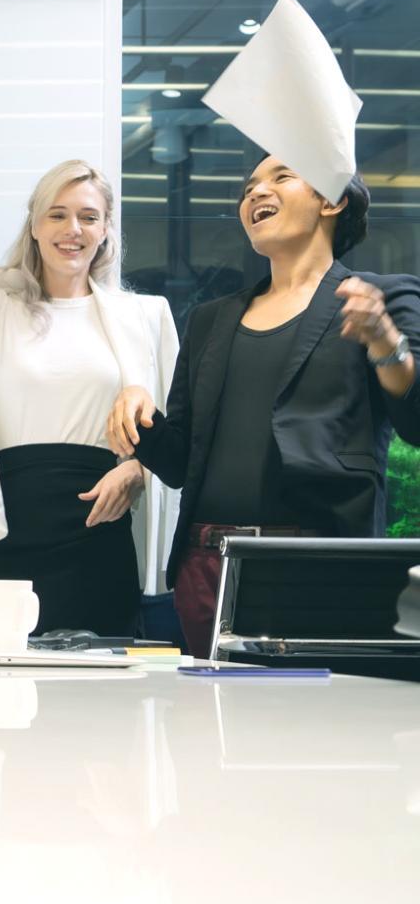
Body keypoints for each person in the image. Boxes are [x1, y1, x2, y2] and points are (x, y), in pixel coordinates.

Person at [0, 20, 177, 638]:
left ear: (106, 230)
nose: (72, 229)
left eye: (88, 216)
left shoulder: (142, 319)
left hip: (101, 525)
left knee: (104, 687)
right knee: (8, 686)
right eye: (57, 214)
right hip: (11, 526)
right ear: (34, 226)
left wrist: (138, 471)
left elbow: (175, 440)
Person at [109, 159, 420, 655]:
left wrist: (385, 340)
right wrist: (141, 416)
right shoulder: (211, 320)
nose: (256, 193)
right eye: (249, 186)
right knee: (213, 706)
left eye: (281, 177)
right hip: (207, 566)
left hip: (322, 563)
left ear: (332, 201)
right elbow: (180, 463)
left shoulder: (380, 298)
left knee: (315, 705)